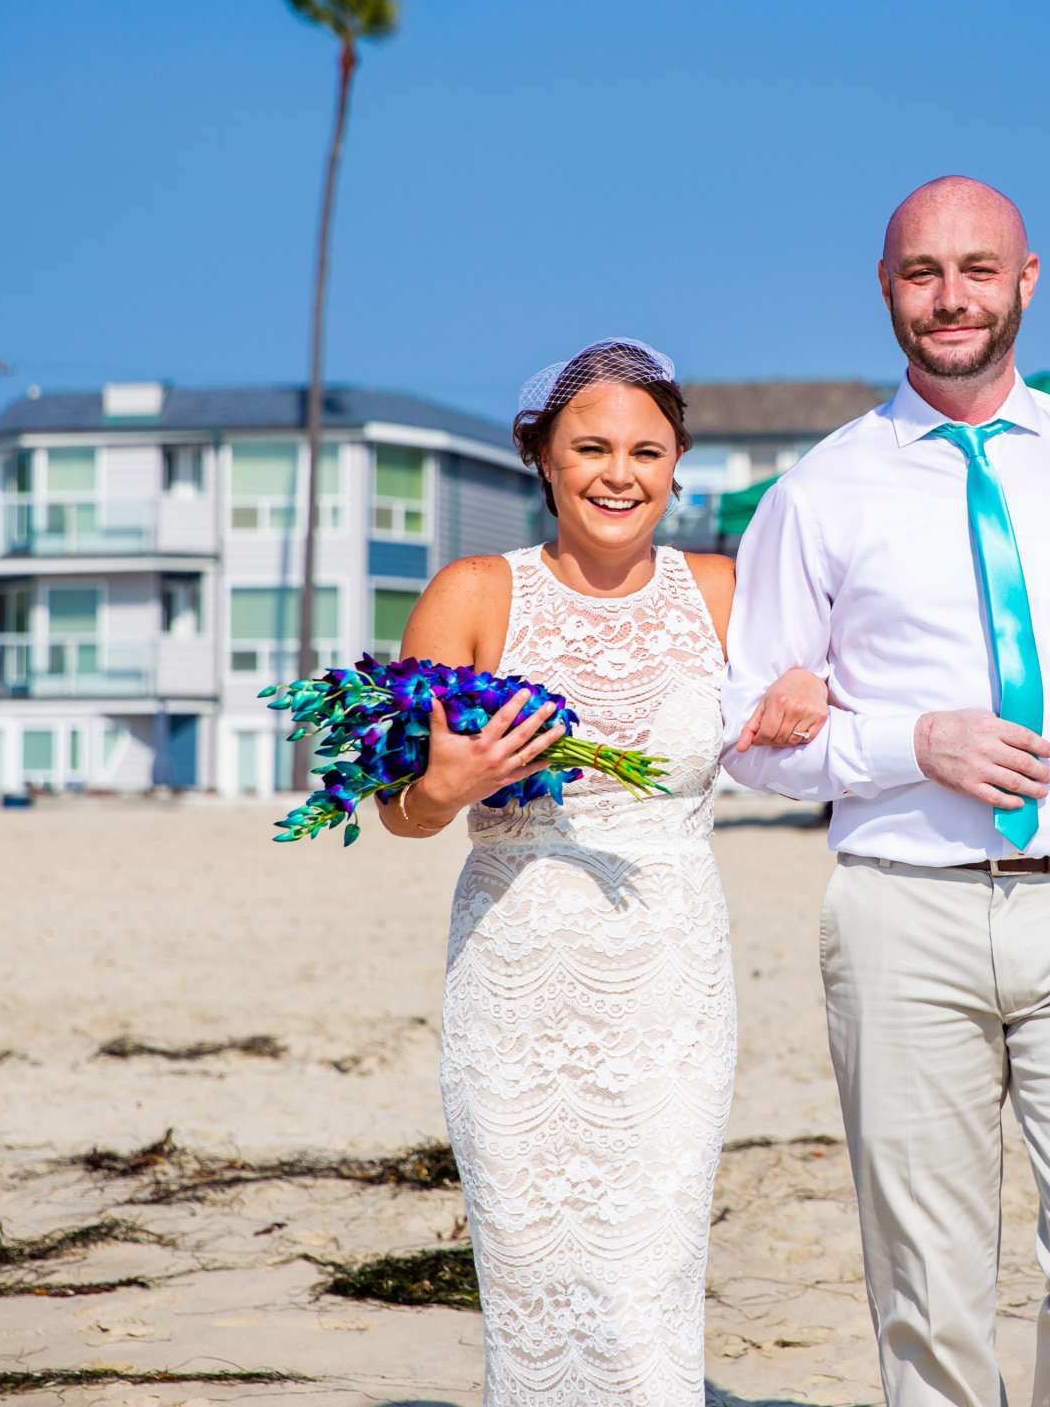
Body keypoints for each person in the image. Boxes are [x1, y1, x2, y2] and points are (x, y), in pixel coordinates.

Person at [722, 177, 1050, 1407]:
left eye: (977, 269)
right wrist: (909, 745)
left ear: (1027, 281)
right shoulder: (817, 493)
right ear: (886, 289)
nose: (951, 297)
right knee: (928, 1294)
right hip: (900, 914)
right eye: (922, 272)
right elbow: (752, 737)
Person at [377, 338, 826, 1405]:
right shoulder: (475, 594)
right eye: (591, 447)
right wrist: (448, 784)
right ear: (543, 458)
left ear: (677, 465)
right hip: (515, 974)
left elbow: (811, 713)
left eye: (645, 449)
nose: (618, 472)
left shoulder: (722, 589)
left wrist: (808, 685)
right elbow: (396, 811)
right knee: (533, 1272)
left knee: (647, 1273)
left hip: (669, 975)